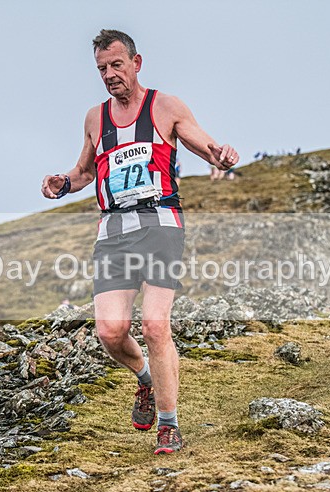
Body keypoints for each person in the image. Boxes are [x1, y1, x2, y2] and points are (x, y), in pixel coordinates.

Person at [41, 29, 238, 454]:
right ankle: (146, 380)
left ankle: (169, 424)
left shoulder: (164, 106)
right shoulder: (96, 118)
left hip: (160, 224)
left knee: (153, 324)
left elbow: (203, 143)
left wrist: (219, 154)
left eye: (116, 65)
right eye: (101, 69)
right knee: (110, 331)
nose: (109, 75)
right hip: (113, 231)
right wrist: (63, 182)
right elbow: (86, 171)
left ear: (136, 63)